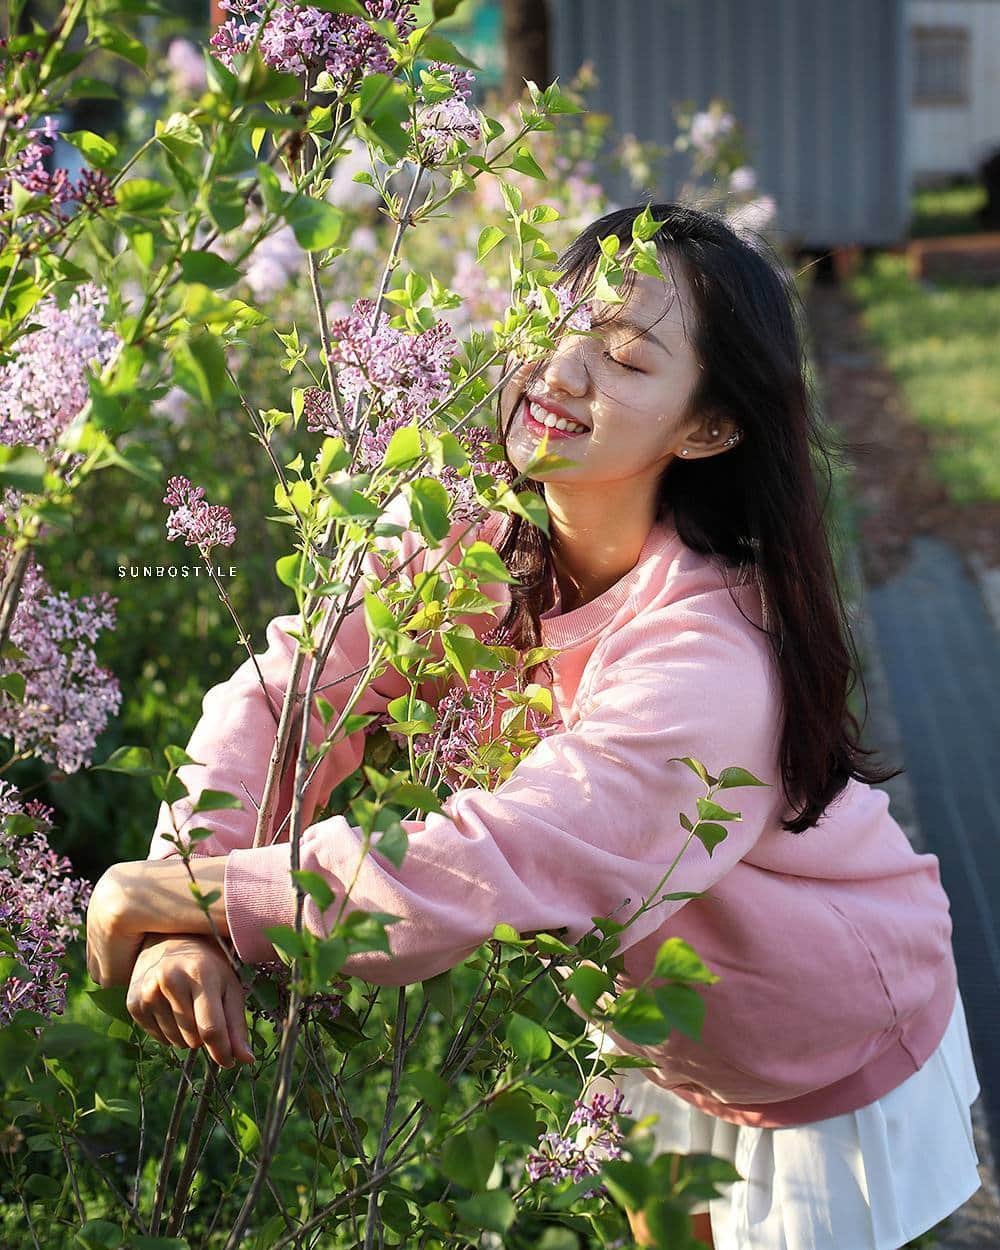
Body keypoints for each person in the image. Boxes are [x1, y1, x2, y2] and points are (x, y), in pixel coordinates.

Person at [87, 203, 982, 1250]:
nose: (557, 373)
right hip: (654, 1013)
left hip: (819, 1029)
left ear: (707, 427)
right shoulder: (468, 534)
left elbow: (513, 853)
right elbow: (290, 686)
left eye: (622, 358)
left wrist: (183, 897)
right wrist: (190, 894)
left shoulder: (710, 655)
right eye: (554, 326)